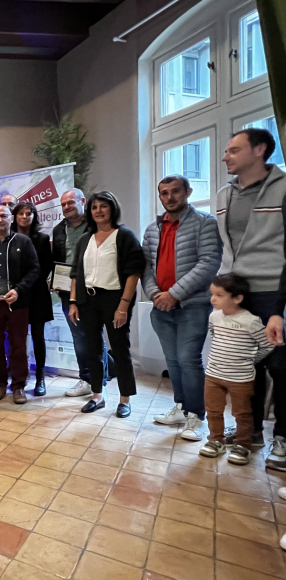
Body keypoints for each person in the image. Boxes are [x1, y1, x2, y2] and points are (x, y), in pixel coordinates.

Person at [217, 129, 286, 465]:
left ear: (259, 150)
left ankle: (282, 438)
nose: (225, 156)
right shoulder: (223, 195)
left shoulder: (283, 188)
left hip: (274, 289)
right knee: (246, 367)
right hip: (236, 293)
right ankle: (252, 431)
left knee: (281, 368)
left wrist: (279, 308)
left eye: (234, 150)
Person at [142, 175, 221, 440]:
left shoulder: (206, 223)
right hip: (160, 307)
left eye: (175, 191)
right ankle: (181, 407)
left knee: (188, 360)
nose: (170, 197)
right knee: (173, 360)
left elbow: (209, 263)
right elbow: (146, 267)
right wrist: (155, 294)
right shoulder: (152, 229)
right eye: (164, 193)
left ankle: (196, 416)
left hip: (192, 306)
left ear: (188, 192)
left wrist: (174, 294)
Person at [69, 192, 145, 418]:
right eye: (94, 207)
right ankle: (97, 396)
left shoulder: (124, 236)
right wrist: (73, 302)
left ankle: (125, 399)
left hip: (115, 300)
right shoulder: (85, 239)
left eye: (103, 206)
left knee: (120, 349)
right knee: (93, 350)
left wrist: (123, 306)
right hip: (87, 300)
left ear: (112, 208)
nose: (98, 211)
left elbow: (134, 273)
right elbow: (75, 274)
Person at [199, 274, 272, 466]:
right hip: (213, 375)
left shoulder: (251, 321)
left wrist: (250, 360)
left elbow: (267, 345)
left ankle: (243, 445)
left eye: (219, 295)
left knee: (242, 414)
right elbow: (214, 336)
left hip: (240, 378)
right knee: (213, 410)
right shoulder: (214, 316)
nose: (213, 299)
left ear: (237, 298)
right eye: (212, 294)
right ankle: (216, 441)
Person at [52, 188, 113, 397]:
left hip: (95, 290)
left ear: (82, 201)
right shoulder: (59, 230)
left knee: (95, 336)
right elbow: (57, 259)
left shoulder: (96, 225)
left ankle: (99, 380)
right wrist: (52, 279)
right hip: (68, 291)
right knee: (78, 337)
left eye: (70, 202)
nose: (67, 207)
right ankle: (86, 378)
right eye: (63, 204)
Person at [0, 205, 40, 404]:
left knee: (18, 347)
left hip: (17, 303)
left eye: (3, 216)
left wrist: (19, 290)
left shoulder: (23, 241)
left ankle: (18, 386)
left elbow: (34, 269)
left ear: (11, 219)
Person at [13, 201, 53, 396]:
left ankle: (40, 377)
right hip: (15, 295)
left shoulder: (42, 239)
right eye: (21, 213)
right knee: (17, 338)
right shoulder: (9, 238)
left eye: (28, 214)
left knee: (38, 336)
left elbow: (46, 266)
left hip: (37, 294)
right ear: (14, 216)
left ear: (34, 217)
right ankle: (19, 376)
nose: (24, 217)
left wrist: (26, 284)